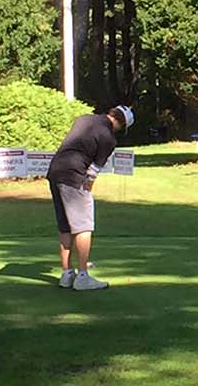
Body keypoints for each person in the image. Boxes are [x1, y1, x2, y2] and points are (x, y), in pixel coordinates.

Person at [47, 105, 133, 291]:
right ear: (121, 124)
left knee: (65, 225)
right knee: (83, 224)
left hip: (55, 171)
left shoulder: (84, 119)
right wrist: (87, 188)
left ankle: (67, 274)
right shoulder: (109, 138)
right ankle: (83, 276)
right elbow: (92, 173)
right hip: (73, 174)